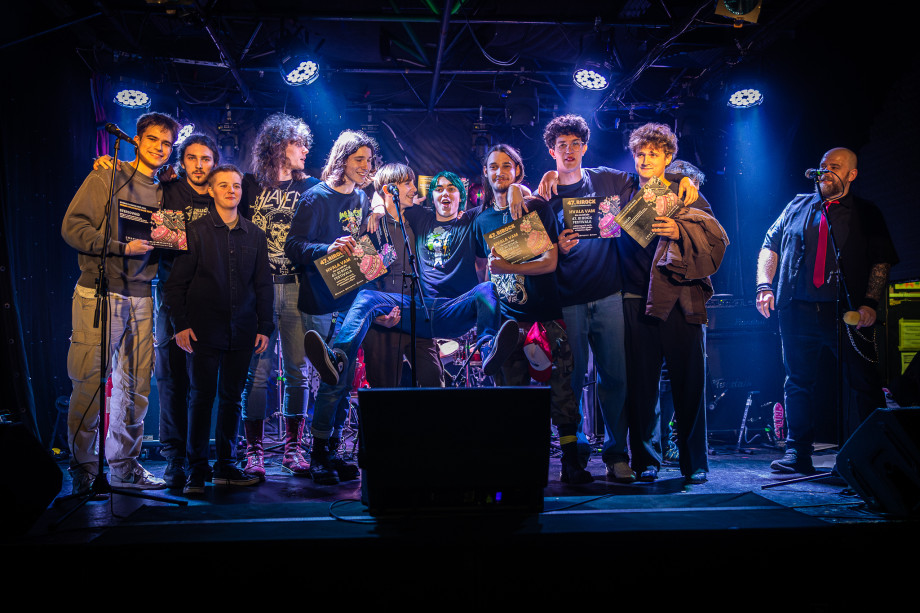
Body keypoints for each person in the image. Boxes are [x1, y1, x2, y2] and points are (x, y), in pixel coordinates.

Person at [536, 114, 698, 483]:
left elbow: (655, 175)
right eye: (562, 145)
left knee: (616, 380)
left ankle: (616, 455)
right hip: (567, 301)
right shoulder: (543, 195)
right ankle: (574, 457)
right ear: (551, 151)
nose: (569, 150)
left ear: (585, 147)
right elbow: (535, 249)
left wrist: (686, 178)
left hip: (610, 294)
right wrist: (556, 245)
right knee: (571, 383)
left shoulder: (609, 179)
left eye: (576, 144)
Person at [300, 169, 519, 406]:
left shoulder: (471, 219)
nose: (445, 193)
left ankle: (487, 349)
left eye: (452, 188)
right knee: (366, 297)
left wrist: (517, 189)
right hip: (421, 310)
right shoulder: (420, 216)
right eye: (439, 189)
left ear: (461, 196)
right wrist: (378, 208)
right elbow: (384, 192)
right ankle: (339, 358)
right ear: (431, 196)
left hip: (454, 310)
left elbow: (500, 202)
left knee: (487, 289)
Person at [756, 147, 898, 474]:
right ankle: (797, 453)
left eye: (835, 166)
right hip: (797, 309)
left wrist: (870, 303)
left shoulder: (866, 212)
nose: (825, 171)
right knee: (797, 382)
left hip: (846, 312)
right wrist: (764, 285)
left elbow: (881, 261)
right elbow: (769, 245)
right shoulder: (797, 205)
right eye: (822, 165)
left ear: (851, 174)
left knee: (864, 382)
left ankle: (870, 457)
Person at [90, 133, 219, 488]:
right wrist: (112, 165)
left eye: (206, 159)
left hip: (215, 300)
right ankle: (175, 458)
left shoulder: (224, 192)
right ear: (181, 161)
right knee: (171, 380)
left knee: (209, 383)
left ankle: (208, 459)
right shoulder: (169, 189)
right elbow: (139, 180)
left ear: (215, 162)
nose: (199, 165)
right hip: (172, 296)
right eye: (191, 158)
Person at [62, 111, 179, 494]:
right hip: (99, 292)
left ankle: (125, 467)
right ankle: (83, 470)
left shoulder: (166, 191)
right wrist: (118, 247)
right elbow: (73, 227)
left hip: (143, 295)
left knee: (136, 388)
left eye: (166, 143)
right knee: (89, 385)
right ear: (137, 140)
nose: (159, 148)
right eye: (153, 139)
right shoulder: (107, 175)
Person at [472, 143, 594, 485]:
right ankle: (522, 467)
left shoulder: (534, 207)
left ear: (517, 171)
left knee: (562, 396)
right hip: (510, 325)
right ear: (486, 173)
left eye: (506, 166)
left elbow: (550, 262)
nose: (499, 172)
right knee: (515, 400)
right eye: (493, 166)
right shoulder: (481, 220)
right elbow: (484, 270)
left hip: (547, 318)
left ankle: (571, 464)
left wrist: (508, 266)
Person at [618, 123, 727, 485]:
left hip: (681, 298)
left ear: (668, 157)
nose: (645, 160)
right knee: (642, 385)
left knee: (690, 383)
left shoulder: (685, 190)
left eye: (654, 153)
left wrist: (680, 230)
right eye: (640, 153)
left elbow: (714, 236)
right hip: (637, 298)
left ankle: (694, 462)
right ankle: (646, 461)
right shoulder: (625, 191)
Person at [164, 164, 273, 494]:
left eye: (236, 185)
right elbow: (175, 285)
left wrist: (265, 326)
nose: (231, 190)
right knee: (200, 398)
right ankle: (196, 471)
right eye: (223, 185)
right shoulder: (194, 231)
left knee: (232, 399)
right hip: (203, 331)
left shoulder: (255, 234)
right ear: (210, 191)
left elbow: (263, 285)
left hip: (243, 330)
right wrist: (180, 325)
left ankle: (226, 466)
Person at [284, 129, 381, 485]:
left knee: (343, 379)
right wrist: (327, 248)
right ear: (342, 159)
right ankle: (319, 453)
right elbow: (293, 246)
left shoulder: (363, 198)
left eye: (369, 160)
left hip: (351, 301)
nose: (366, 166)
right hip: (321, 301)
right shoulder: (315, 198)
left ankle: (332, 449)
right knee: (331, 378)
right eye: (359, 159)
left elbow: (364, 248)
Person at [238, 113, 320, 479]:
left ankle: (292, 449)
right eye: (297, 143)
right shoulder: (249, 184)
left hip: (298, 286)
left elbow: (346, 203)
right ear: (277, 145)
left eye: (305, 144)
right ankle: (253, 450)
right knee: (257, 372)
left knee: (297, 371)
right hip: (259, 288)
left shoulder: (312, 188)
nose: (305, 150)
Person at [360, 163, 444, 388]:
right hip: (384, 322)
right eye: (407, 183)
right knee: (385, 392)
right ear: (388, 190)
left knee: (434, 379)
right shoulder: (372, 226)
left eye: (413, 183)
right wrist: (377, 317)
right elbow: (363, 281)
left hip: (416, 316)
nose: (414, 189)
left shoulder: (415, 222)